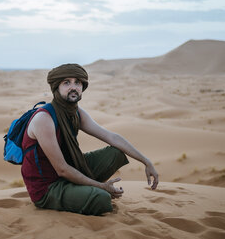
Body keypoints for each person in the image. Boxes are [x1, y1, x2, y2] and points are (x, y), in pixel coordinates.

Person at [21, 63, 159, 215]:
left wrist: (147, 161)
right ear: (56, 87)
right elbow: (62, 169)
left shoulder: (75, 113)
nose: (73, 87)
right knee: (102, 199)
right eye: (66, 82)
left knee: (116, 153)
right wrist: (101, 186)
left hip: (71, 169)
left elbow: (110, 136)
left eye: (78, 82)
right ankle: (89, 192)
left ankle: (85, 190)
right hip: (48, 187)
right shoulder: (44, 119)